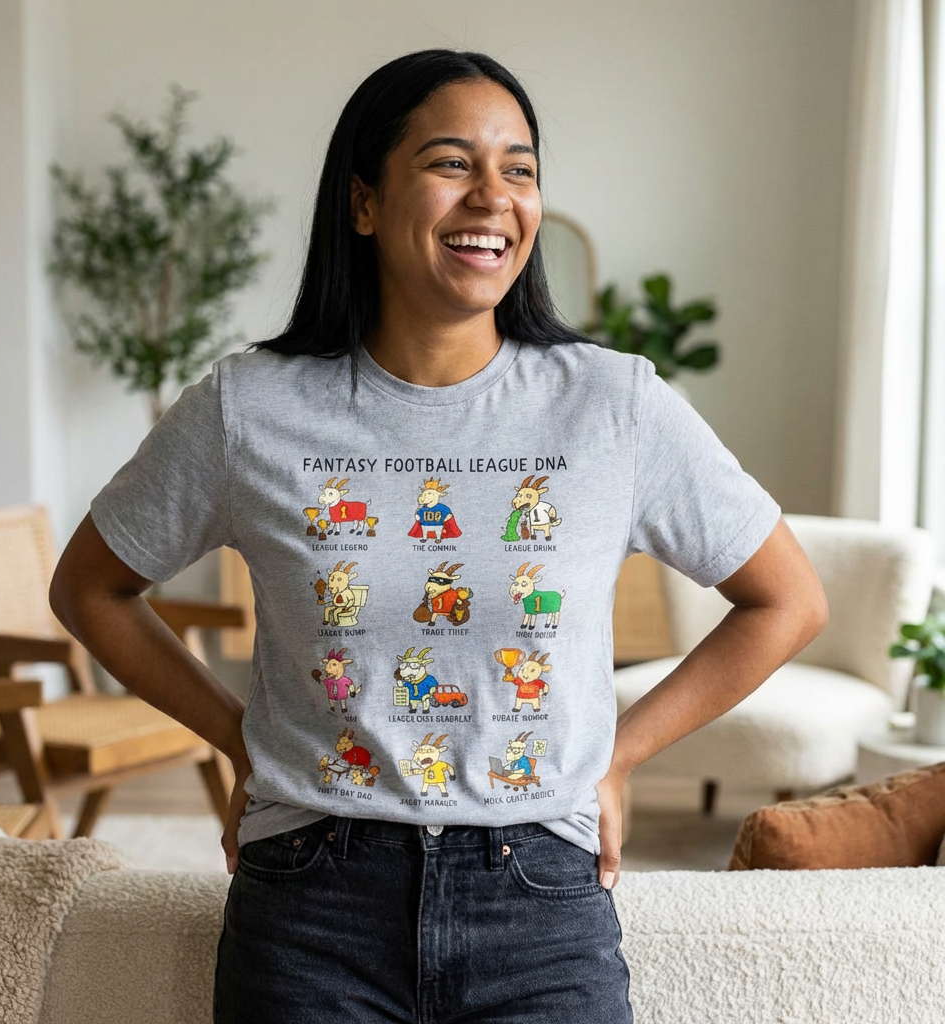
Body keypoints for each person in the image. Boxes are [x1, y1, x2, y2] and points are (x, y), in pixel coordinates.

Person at [49, 49, 828, 1024]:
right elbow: (91, 587)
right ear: (365, 202)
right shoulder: (245, 407)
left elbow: (787, 600)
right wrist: (233, 734)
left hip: (539, 895)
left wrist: (621, 754)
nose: (491, 197)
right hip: (311, 900)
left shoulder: (613, 404)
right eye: (452, 163)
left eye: (519, 168)